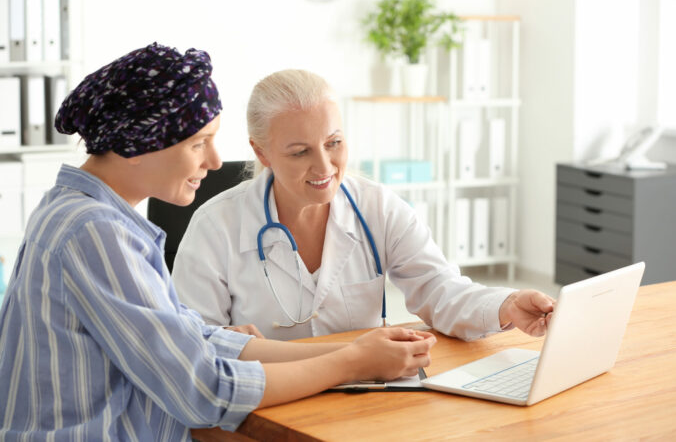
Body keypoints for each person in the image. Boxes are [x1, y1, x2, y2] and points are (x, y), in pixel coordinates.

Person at [0, 45, 436, 441]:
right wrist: (351, 365)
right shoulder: (93, 232)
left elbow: (194, 337)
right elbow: (203, 390)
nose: (214, 161)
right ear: (138, 145)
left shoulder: (83, 212)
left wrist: (353, 349)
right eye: (199, 143)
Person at [172, 69, 555, 341]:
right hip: (265, 400)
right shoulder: (215, 226)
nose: (324, 167)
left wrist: (507, 304)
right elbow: (194, 345)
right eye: (300, 151)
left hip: (363, 397)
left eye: (334, 143)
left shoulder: (378, 208)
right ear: (262, 151)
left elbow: (440, 290)